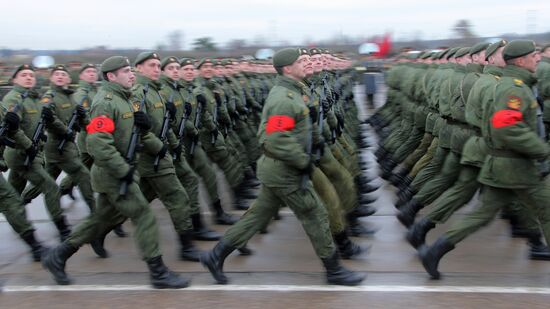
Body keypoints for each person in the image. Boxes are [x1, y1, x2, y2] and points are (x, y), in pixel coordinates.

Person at [200, 48, 365, 286]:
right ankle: (335, 270)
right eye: (301, 61)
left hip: (279, 170)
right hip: (285, 172)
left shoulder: (296, 91)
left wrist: (317, 140)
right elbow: (276, 139)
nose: (306, 64)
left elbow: (303, 124)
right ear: (287, 68)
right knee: (316, 214)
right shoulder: (283, 99)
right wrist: (303, 160)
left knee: (257, 217)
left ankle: (215, 256)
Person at [42, 56, 189, 289]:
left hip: (120, 170)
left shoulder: (126, 99)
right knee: (144, 216)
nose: (132, 75)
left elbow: (138, 134)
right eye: (126, 72)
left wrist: (160, 147)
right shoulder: (105, 102)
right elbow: (97, 144)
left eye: (131, 71)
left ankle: (57, 256)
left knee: (100, 219)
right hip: (112, 173)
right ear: (111, 76)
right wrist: (122, 170)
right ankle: (158, 272)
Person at [0, 64, 70, 241]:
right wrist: (29, 146)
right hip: (20, 154)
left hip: (30, 153)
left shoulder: (34, 99)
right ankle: (62, 227)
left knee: (13, 196)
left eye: (31, 75)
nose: (29, 77)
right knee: (51, 187)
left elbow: (37, 124)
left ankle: (20, 223)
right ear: (14, 79)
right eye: (23, 75)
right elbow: (12, 129)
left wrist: (56, 132)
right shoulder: (13, 99)